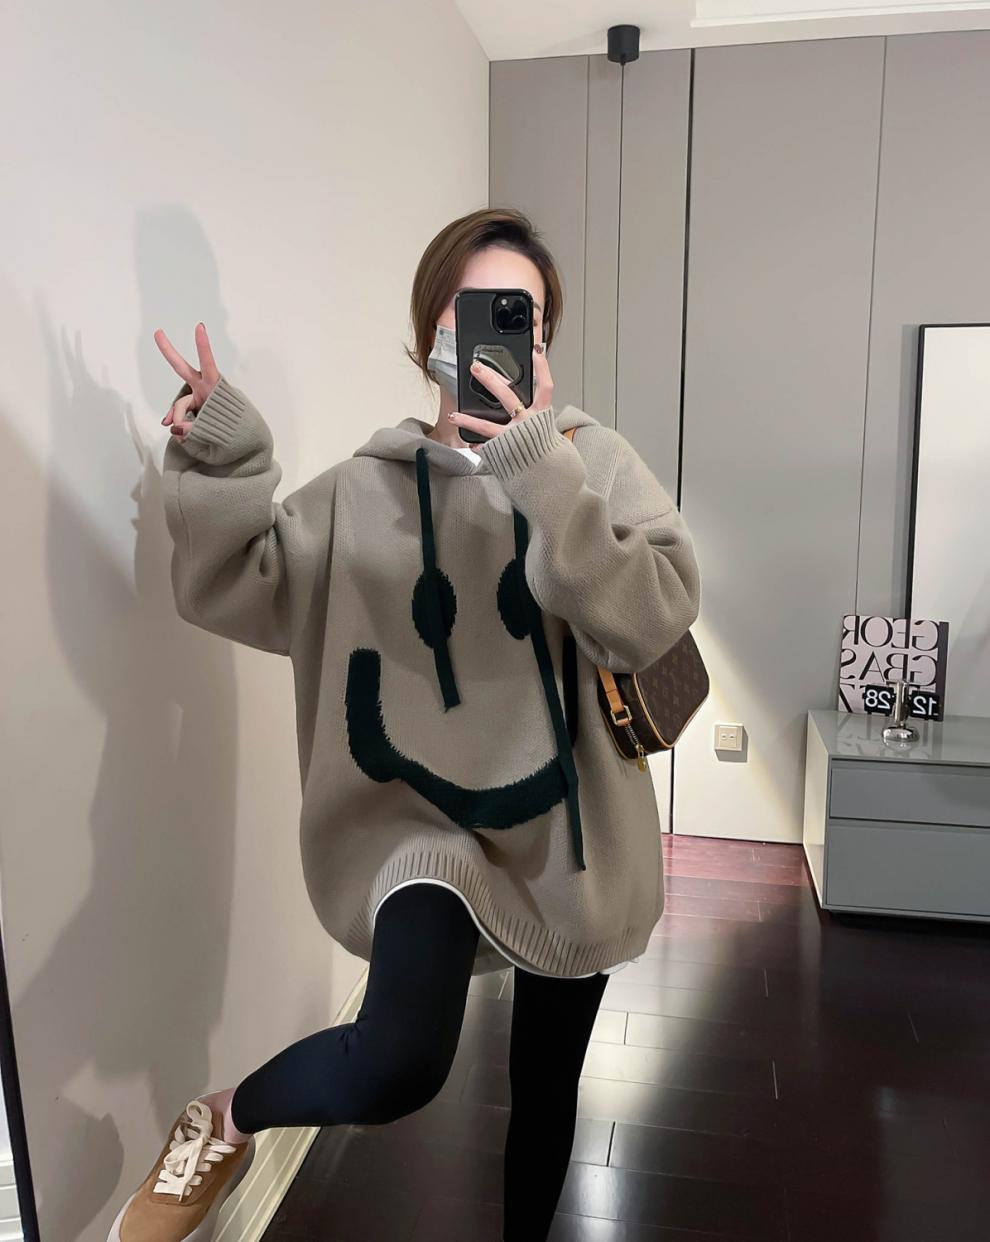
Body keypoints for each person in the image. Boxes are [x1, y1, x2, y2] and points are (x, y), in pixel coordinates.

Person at [107, 207, 702, 1242]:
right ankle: (227, 1117)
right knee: (397, 1059)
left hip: (571, 829)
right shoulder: (362, 492)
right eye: (475, 310)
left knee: (547, 1088)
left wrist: (540, 473)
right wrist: (229, 456)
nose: (499, 338)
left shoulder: (593, 463)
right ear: (431, 330)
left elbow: (654, 613)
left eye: (523, 318)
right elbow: (239, 586)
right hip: (421, 825)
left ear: (543, 341)